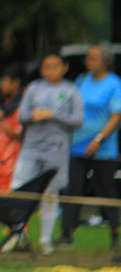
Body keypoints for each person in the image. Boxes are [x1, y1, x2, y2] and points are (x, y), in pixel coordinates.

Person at [9, 53, 84, 256]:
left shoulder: (71, 91)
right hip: (31, 147)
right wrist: (33, 116)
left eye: (54, 66)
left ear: (64, 67)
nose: (50, 70)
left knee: (50, 193)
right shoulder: (34, 88)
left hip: (56, 149)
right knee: (18, 188)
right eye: (46, 66)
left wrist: (53, 115)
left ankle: (45, 240)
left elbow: (78, 120)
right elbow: (22, 116)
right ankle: (16, 236)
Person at [59, 43, 121, 248]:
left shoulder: (114, 84)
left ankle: (114, 233)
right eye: (88, 57)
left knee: (106, 189)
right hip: (77, 145)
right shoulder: (82, 80)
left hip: (103, 148)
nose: (88, 61)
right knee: (73, 189)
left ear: (105, 61)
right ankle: (67, 232)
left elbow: (116, 116)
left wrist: (99, 139)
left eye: (93, 58)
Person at [0, 64, 24, 192]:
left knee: (10, 198)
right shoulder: (6, 103)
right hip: (2, 158)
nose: (2, 85)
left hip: (13, 160)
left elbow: (19, 133)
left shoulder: (22, 105)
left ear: (16, 83)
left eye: (5, 81)